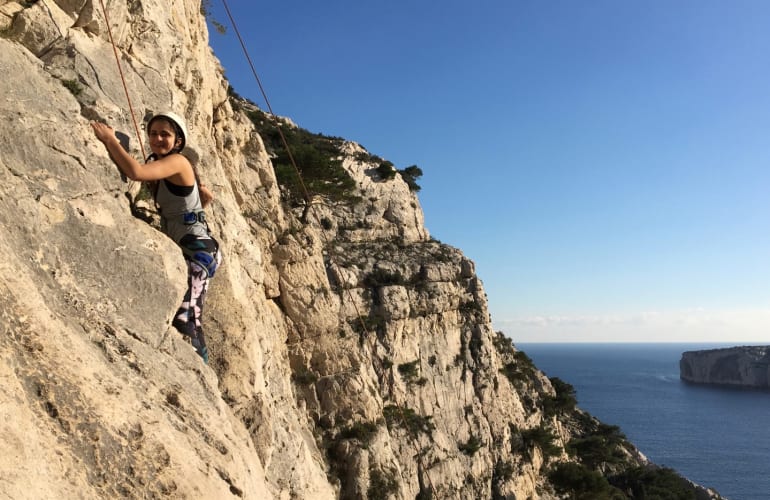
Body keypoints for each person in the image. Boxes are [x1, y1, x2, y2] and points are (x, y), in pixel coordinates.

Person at [91, 112, 219, 363]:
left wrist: (110, 140)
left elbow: (136, 172)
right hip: (193, 246)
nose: (157, 138)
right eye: (153, 133)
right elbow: (203, 199)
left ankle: (198, 372)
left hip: (197, 250)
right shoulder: (168, 166)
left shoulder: (179, 162)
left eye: (165, 134)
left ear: (178, 142)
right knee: (190, 317)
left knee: (187, 319)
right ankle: (198, 368)